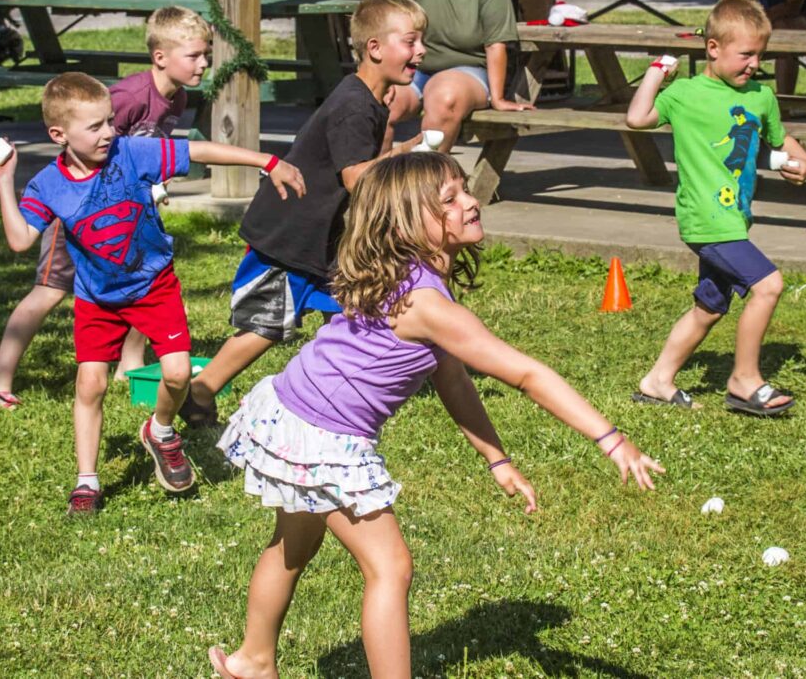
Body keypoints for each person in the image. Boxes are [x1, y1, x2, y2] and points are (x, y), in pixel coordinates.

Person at [206, 152, 664, 679]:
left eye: (464, 189)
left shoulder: (413, 274)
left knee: (294, 541)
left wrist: (497, 459)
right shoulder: (427, 305)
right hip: (320, 434)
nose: (470, 202)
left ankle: (252, 661)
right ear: (405, 224)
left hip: (296, 407)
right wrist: (611, 439)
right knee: (390, 566)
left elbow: (449, 376)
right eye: (449, 200)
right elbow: (528, 374)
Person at [0, 72, 305, 515]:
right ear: (59, 135)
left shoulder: (130, 153)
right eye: (94, 126)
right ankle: (87, 481)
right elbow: (20, 241)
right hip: (98, 299)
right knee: (90, 383)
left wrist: (266, 161)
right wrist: (4, 180)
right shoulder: (47, 185)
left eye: (109, 121)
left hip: (154, 286)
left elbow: (199, 150)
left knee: (176, 375)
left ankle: (161, 430)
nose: (108, 132)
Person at [182, 0, 427, 429]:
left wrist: (401, 149)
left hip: (325, 238)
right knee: (265, 327)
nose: (420, 51)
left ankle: (343, 388)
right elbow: (356, 178)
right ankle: (199, 392)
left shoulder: (370, 99)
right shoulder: (354, 104)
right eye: (410, 42)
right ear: (374, 48)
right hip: (290, 238)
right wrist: (405, 157)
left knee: (359, 308)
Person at [0, 6, 213, 409]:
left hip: (122, 214)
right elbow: (80, 131)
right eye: (194, 55)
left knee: (143, 275)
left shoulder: (176, 96)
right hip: (78, 217)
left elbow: (147, 153)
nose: (203, 63)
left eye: (206, 55)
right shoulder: (130, 97)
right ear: (161, 57)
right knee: (48, 291)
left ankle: (128, 363)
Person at [626, 0, 806, 417]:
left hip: (734, 219)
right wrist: (657, 74)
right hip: (705, 221)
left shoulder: (761, 96)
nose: (753, 63)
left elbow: (779, 139)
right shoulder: (685, 94)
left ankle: (658, 380)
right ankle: (743, 379)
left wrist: (805, 160)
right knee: (768, 285)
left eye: (759, 55)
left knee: (709, 308)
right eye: (745, 54)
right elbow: (637, 118)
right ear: (713, 48)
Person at [386, 0, 532, 153]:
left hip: (468, 70)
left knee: (443, 97)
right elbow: (390, 22)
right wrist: (383, 79)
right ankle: (372, 182)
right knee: (380, 103)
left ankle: (425, 185)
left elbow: (496, 44)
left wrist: (497, 99)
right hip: (417, 69)